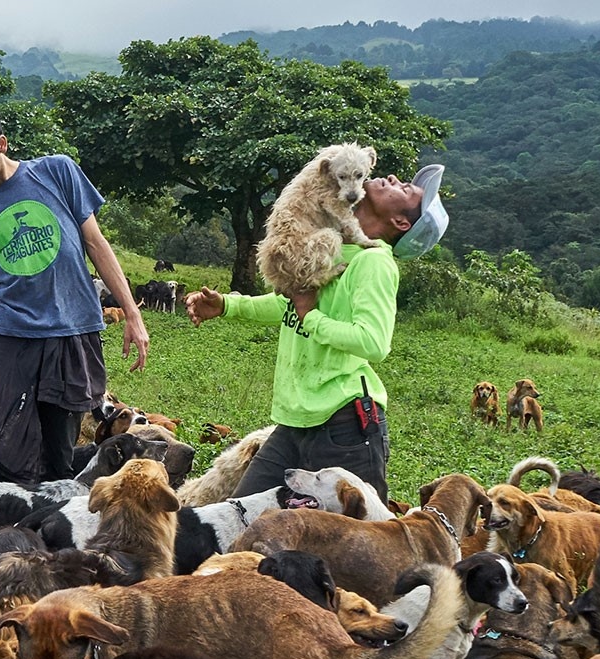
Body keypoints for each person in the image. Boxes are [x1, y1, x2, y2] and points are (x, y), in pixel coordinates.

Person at [185, 164, 447, 504]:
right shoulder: (332, 246)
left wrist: (311, 317)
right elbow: (290, 303)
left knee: (354, 533)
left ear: (400, 223)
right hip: (296, 421)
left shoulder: (373, 262)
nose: (396, 179)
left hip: (346, 425)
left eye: (407, 190)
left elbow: (373, 342)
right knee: (242, 515)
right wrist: (227, 306)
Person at [0, 102, 149, 484]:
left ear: (1, 144)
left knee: (59, 453)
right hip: (14, 340)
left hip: (73, 332)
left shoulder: (57, 172)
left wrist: (132, 314)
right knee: (4, 450)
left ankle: (54, 515)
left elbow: (96, 244)